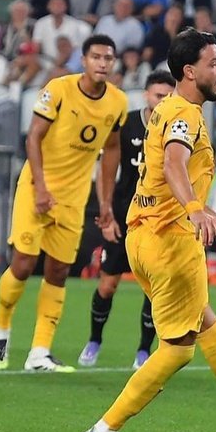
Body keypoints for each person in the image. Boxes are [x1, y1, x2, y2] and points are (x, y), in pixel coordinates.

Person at [80, 28, 216, 432]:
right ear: (190, 71)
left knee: (210, 330)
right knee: (177, 350)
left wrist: (212, 217)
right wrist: (196, 210)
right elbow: (174, 162)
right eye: (215, 62)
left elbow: (172, 175)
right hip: (171, 244)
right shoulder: (185, 115)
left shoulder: (168, 108)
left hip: (145, 236)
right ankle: (103, 431)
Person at [0, 35, 128, 373]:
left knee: (59, 270)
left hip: (74, 198)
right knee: (23, 263)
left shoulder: (118, 102)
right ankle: (1, 332)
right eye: (96, 57)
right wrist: (40, 187)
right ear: (84, 60)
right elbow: (33, 136)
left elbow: (111, 150)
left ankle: (40, 352)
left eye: (108, 58)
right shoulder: (59, 89)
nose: (102, 63)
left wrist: (105, 202)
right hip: (37, 187)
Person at [78, 70, 176, 370]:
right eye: (158, 95)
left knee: (154, 288)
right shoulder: (127, 124)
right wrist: (106, 212)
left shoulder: (176, 127)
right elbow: (106, 171)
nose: (163, 101)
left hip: (159, 219)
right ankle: (94, 340)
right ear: (146, 95)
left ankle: (144, 350)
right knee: (108, 284)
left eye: (168, 96)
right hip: (124, 216)